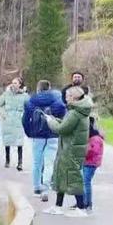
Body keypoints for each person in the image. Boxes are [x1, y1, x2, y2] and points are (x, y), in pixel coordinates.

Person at [43, 88, 94, 217]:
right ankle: (58, 206)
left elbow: (61, 129)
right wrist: (56, 119)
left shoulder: (75, 113)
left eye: (68, 96)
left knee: (73, 177)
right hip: (69, 149)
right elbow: (68, 126)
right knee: (62, 175)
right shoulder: (78, 111)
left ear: (75, 97)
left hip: (71, 150)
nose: (66, 98)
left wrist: (50, 122)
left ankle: (81, 208)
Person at [22, 80, 66, 201]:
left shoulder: (31, 101)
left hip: (37, 135)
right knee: (49, 162)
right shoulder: (57, 100)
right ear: (49, 88)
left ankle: (37, 187)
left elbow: (25, 119)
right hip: (53, 134)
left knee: (37, 162)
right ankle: (45, 187)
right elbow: (63, 115)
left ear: (38, 88)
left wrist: (29, 132)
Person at [0, 78, 29, 170]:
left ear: (20, 84)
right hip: (8, 119)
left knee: (19, 141)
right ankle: (7, 160)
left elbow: (29, 106)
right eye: (12, 83)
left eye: (15, 83)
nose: (13, 85)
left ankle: (20, 162)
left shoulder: (25, 96)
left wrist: (24, 116)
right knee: (7, 139)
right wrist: (4, 115)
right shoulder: (6, 94)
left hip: (19, 120)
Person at [83, 117, 104, 213]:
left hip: (90, 163)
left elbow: (93, 151)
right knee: (84, 182)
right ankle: (84, 201)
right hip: (88, 162)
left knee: (86, 182)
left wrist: (85, 152)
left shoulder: (95, 138)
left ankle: (88, 203)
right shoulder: (92, 137)